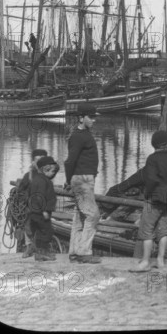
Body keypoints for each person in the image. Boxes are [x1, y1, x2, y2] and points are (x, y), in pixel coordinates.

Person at [131, 130, 167, 272]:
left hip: (154, 200)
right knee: (163, 231)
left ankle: (145, 262)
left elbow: (152, 180)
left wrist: (147, 194)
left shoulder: (152, 159)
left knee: (146, 230)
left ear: (154, 145)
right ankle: (161, 261)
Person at [64, 102, 102, 264]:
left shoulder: (82, 134)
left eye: (94, 117)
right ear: (81, 118)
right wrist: (68, 180)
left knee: (80, 216)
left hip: (83, 178)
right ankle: (84, 252)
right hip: (83, 179)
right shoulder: (79, 137)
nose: (94, 120)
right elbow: (69, 161)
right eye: (91, 117)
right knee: (93, 215)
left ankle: (74, 251)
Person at [16, 148, 48, 258]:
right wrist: (26, 200)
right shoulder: (28, 176)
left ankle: (40, 248)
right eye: (37, 160)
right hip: (31, 206)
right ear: (33, 162)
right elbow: (20, 191)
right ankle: (29, 247)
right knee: (29, 224)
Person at [28, 156, 60, 262]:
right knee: (47, 232)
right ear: (45, 170)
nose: (53, 174)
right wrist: (44, 210)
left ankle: (39, 253)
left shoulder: (38, 179)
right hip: (40, 212)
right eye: (52, 171)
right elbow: (39, 196)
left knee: (41, 232)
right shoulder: (43, 181)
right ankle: (42, 253)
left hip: (35, 212)